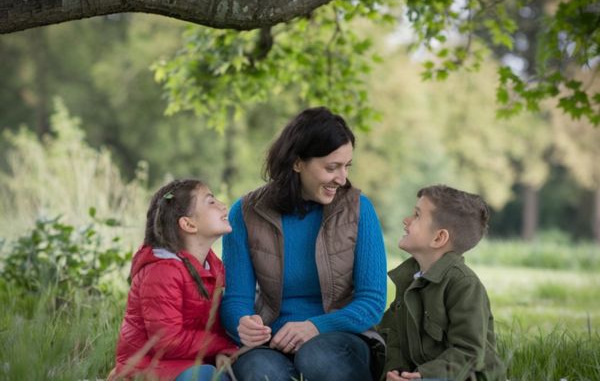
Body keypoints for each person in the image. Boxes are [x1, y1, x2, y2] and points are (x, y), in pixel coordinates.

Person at [220, 107, 388, 381]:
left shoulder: (358, 209)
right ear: (297, 163)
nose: (342, 178)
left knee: (317, 357)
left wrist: (315, 326)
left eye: (347, 166)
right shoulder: (246, 213)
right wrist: (243, 324)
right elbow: (236, 299)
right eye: (331, 167)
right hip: (270, 342)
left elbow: (372, 302)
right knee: (258, 371)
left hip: (340, 337)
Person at [112, 179, 238, 381]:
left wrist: (221, 351)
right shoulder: (161, 271)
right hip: (148, 364)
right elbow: (167, 341)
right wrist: (221, 345)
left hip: (187, 359)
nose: (223, 205)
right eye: (211, 202)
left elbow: (213, 322)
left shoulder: (212, 265)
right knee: (207, 377)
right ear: (188, 224)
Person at [378, 185, 506, 381]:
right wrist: (396, 371)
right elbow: (392, 335)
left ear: (439, 238)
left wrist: (422, 375)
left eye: (417, 215)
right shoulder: (408, 277)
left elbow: (468, 353)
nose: (406, 220)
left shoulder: (464, 284)